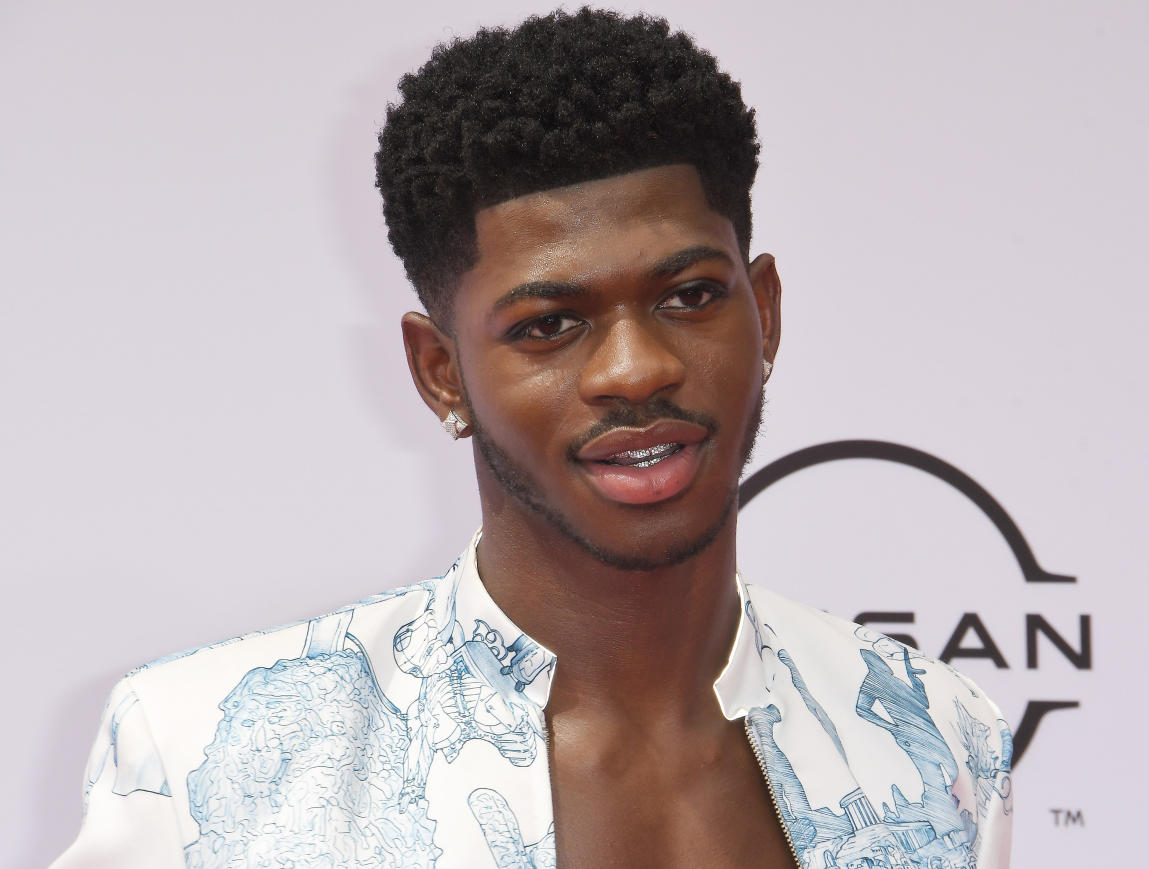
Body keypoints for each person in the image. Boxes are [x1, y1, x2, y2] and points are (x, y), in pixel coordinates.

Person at [53, 8, 1013, 868]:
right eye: (550, 324)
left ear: (762, 309)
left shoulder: (937, 735)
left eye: (690, 296)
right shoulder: (205, 756)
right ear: (441, 370)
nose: (635, 369)